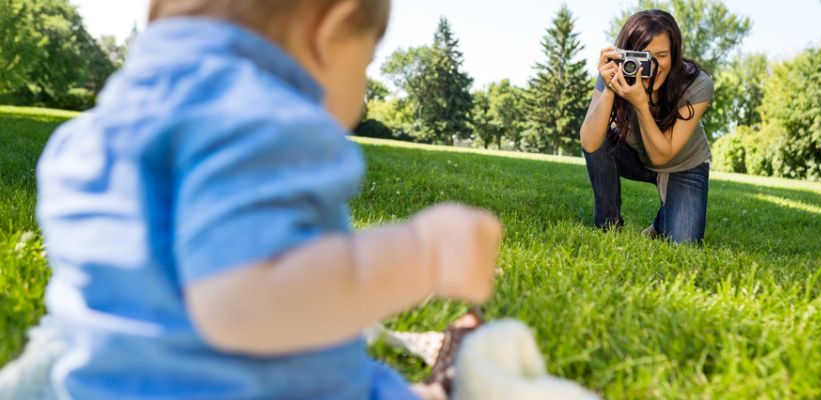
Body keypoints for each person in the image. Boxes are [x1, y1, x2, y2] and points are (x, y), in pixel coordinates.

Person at [34, 0, 502, 398]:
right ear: (332, 31)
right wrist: (425, 254)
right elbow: (245, 304)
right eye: (366, 61)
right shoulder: (256, 115)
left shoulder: (82, 140)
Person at [579, 10, 714, 243]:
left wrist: (641, 104)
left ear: (675, 54)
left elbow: (662, 157)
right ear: (627, 53)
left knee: (683, 243)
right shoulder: (616, 70)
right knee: (600, 136)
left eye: (661, 55)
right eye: (643, 56)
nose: (651, 65)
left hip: (683, 164)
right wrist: (610, 87)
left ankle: (664, 220)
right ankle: (608, 226)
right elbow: (590, 142)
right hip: (636, 155)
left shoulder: (697, 82)